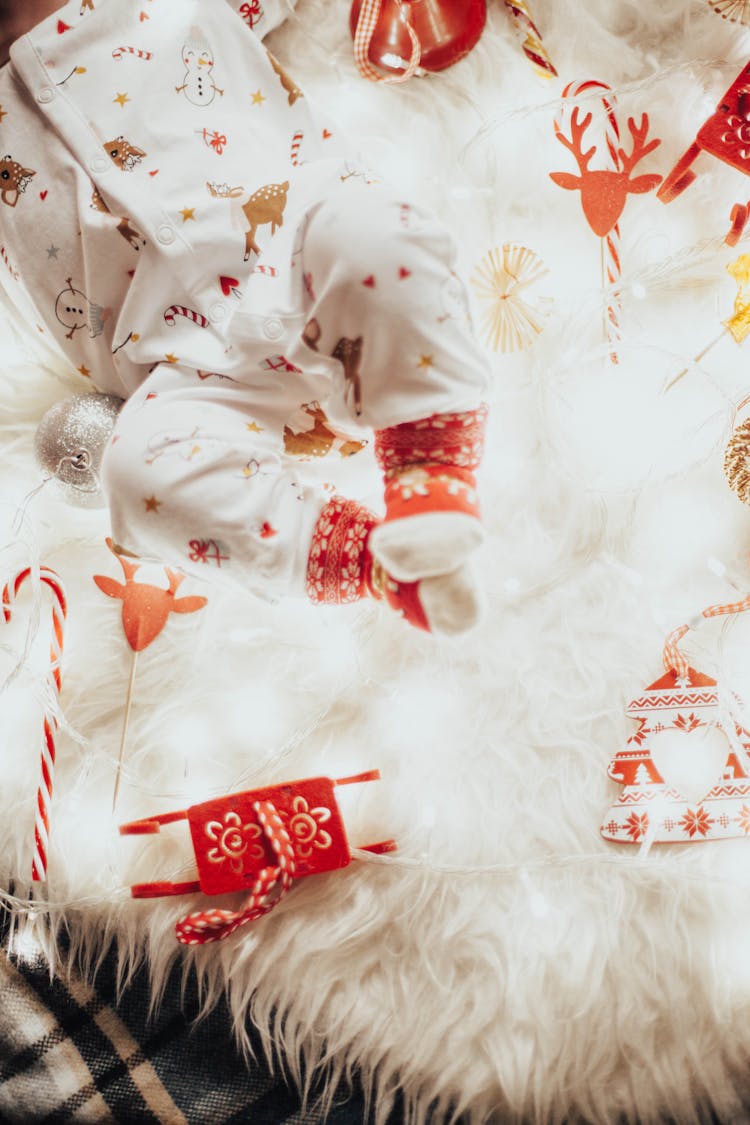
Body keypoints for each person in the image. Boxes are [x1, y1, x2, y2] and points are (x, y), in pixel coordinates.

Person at [0, 0, 490, 634]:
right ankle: (379, 563)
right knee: (134, 477)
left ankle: (432, 469)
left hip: (304, 253)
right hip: (181, 373)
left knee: (374, 232)